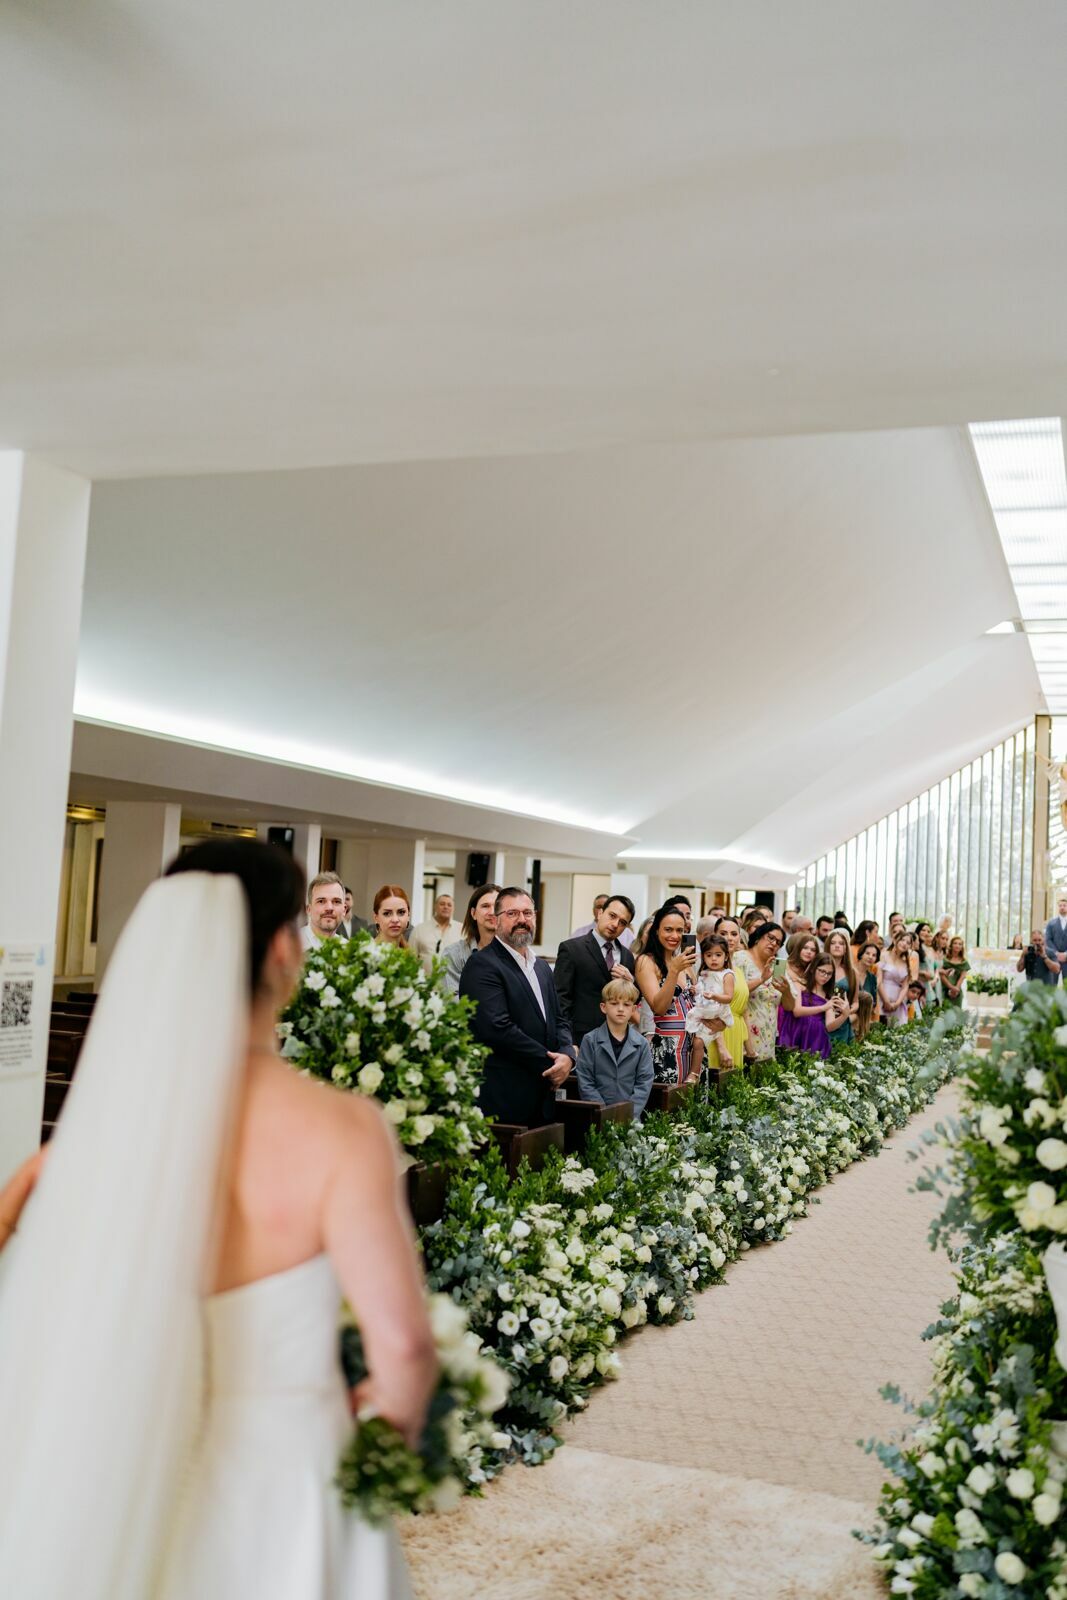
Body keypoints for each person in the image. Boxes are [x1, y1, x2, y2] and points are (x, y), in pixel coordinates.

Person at [0, 838, 436, 1600]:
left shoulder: (103, 1133)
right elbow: (401, 1343)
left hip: (131, 1458)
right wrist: (388, 1425)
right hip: (290, 1468)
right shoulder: (341, 1128)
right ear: (282, 949)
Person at [459, 887, 576, 1126]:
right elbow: (497, 1028)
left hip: (543, 1097)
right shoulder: (482, 965)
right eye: (512, 913)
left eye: (527, 913)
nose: (522, 920)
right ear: (496, 920)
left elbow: (559, 1018)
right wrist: (552, 1064)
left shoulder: (541, 967)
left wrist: (567, 1055)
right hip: (504, 1097)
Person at [553, 894, 636, 1044]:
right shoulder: (572, 949)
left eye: (622, 922)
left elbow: (633, 1000)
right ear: (600, 913)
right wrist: (567, 1042)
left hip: (617, 1038)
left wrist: (631, 982)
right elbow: (561, 999)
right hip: (580, 1037)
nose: (615, 924)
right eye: (612, 916)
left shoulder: (627, 956)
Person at [634, 904, 699, 1085]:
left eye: (680, 930)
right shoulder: (646, 961)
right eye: (668, 929)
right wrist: (674, 971)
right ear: (656, 931)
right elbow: (659, 1007)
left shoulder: (685, 963)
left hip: (694, 1050)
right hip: (667, 1050)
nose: (675, 936)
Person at [576, 979, 654, 1121]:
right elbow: (585, 1081)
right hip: (597, 1120)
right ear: (603, 1007)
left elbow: (644, 1082)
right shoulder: (590, 1040)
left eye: (626, 1004)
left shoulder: (642, 1044)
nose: (620, 1009)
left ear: (633, 1010)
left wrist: (628, 1115)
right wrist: (603, 1112)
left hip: (631, 1121)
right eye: (614, 1003)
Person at [733, 919, 784, 1061]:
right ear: (758, 936)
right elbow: (735, 992)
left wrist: (785, 991)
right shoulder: (740, 958)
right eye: (771, 938)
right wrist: (761, 979)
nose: (773, 943)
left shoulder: (774, 966)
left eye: (778, 942)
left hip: (768, 1033)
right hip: (746, 1032)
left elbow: (787, 1004)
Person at [781, 951, 847, 1060]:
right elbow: (797, 1011)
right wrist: (823, 1007)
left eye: (829, 973)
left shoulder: (828, 996)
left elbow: (829, 1026)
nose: (825, 976)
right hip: (795, 1031)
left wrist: (844, 1015)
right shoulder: (800, 985)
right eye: (822, 971)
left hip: (816, 1038)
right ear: (813, 968)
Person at [685, 934, 736, 1071]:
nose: (713, 959)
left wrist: (714, 996)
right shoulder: (703, 973)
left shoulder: (727, 974)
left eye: (718, 955)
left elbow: (729, 997)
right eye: (709, 955)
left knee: (698, 1042)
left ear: (726, 956)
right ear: (703, 957)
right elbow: (702, 989)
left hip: (717, 1012)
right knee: (693, 1041)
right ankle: (694, 1071)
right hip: (704, 1010)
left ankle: (694, 1073)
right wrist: (695, 989)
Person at [441, 882, 500, 996]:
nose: (492, 912)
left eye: (497, 906)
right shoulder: (454, 954)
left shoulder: (516, 954)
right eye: (485, 906)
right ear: (473, 913)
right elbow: (452, 1000)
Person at [713, 916, 750, 1066]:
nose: (729, 938)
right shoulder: (713, 969)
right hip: (718, 1037)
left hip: (736, 1032)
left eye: (734, 934)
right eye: (723, 933)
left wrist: (750, 1049)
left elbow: (744, 1010)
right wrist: (721, 1048)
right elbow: (710, 1011)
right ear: (714, 936)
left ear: (739, 937)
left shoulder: (738, 970)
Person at [411, 893, 462, 973]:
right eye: (442, 904)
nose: (446, 907)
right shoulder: (419, 929)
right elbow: (411, 957)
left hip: (454, 980)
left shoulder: (462, 930)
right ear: (435, 907)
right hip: (425, 980)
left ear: (453, 908)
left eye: (449, 905)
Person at [824, 928, 857, 1048]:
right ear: (828, 946)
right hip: (821, 1019)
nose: (837, 946)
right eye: (833, 943)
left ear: (846, 948)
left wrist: (847, 1010)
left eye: (841, 943)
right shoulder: (818, 967)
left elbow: (856, 1002)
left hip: (843, 1022)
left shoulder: (852, 972)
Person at [300, 871, 346, 950]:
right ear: (308, 909)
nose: (329, 908)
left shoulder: (349, 950)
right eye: (321, 901)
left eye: (336, 902)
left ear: (344, 910)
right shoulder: (290, 945)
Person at [878, 928, 912, 1025]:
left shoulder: (906, 963)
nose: (904, 944)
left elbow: (905, 986)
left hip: (897, 1002)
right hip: (882, 999)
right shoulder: (883, 955)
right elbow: (879, 981)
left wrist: (897, 1003)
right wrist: (886, 1001)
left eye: (908, 943)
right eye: (902, 940)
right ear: (894, 940)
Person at [941, 935, 970, 1007]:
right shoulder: (944, 959)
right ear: (951, 945)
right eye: (955, 943)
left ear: (962, 947)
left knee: (957, 1011)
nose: (957, 945)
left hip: (957, 992)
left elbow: (962, 977)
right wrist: (951, 987)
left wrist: (956, 989)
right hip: (944, 989)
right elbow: (942, 975)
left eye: (960, 944)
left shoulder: (964, 962)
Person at [1045, 894, 1067, 983]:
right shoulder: (1051, 923)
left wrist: (1065, 954)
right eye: (1060, 905)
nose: (1062, 907)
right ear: (1058, 907)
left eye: (1064, 905)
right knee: (1052, 984)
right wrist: (1056, 953)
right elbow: (1048, 939)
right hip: (1054, 959)